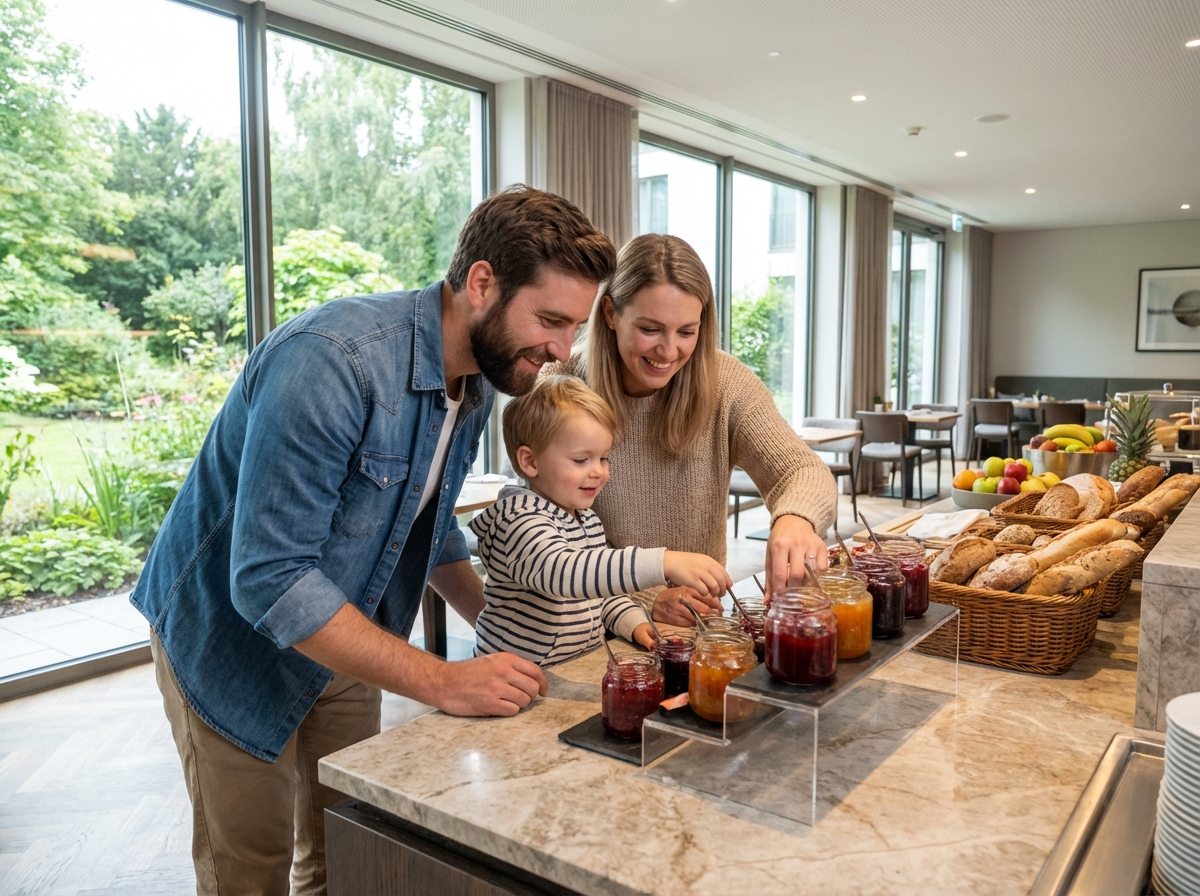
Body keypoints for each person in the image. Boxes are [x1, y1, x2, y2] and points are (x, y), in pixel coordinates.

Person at [131, 187, 616, 895]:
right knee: (251, 872)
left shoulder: (478, 383)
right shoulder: (332, 362)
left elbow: (426, 522)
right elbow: (269, 580)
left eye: (572, 327)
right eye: (549, 320)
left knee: (349, 845)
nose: (559, 351)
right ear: (482, 283)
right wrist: (442, 679)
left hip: (347, 629)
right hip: (229, 644)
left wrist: (500, 624)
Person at [559, 232, 838, 626]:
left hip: (694, 625)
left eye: (686, 332)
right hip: (587, 627)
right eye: (651, 329)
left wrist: (795, 519)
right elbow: (548, 550)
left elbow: (802, 471)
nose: (669, 351)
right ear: (609, 313)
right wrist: (646, 599)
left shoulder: (726, 383)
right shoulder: (560, 386)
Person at [469, 376, 732, 665]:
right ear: (530, 462)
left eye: (604, 458)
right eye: (582, 460)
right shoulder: (518, 519)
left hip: (570, 668)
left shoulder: (588, 521)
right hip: (508, 677)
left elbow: (600, 595)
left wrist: (634, 623)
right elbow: (564, 573)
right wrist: (662, 562)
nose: (598, 472)